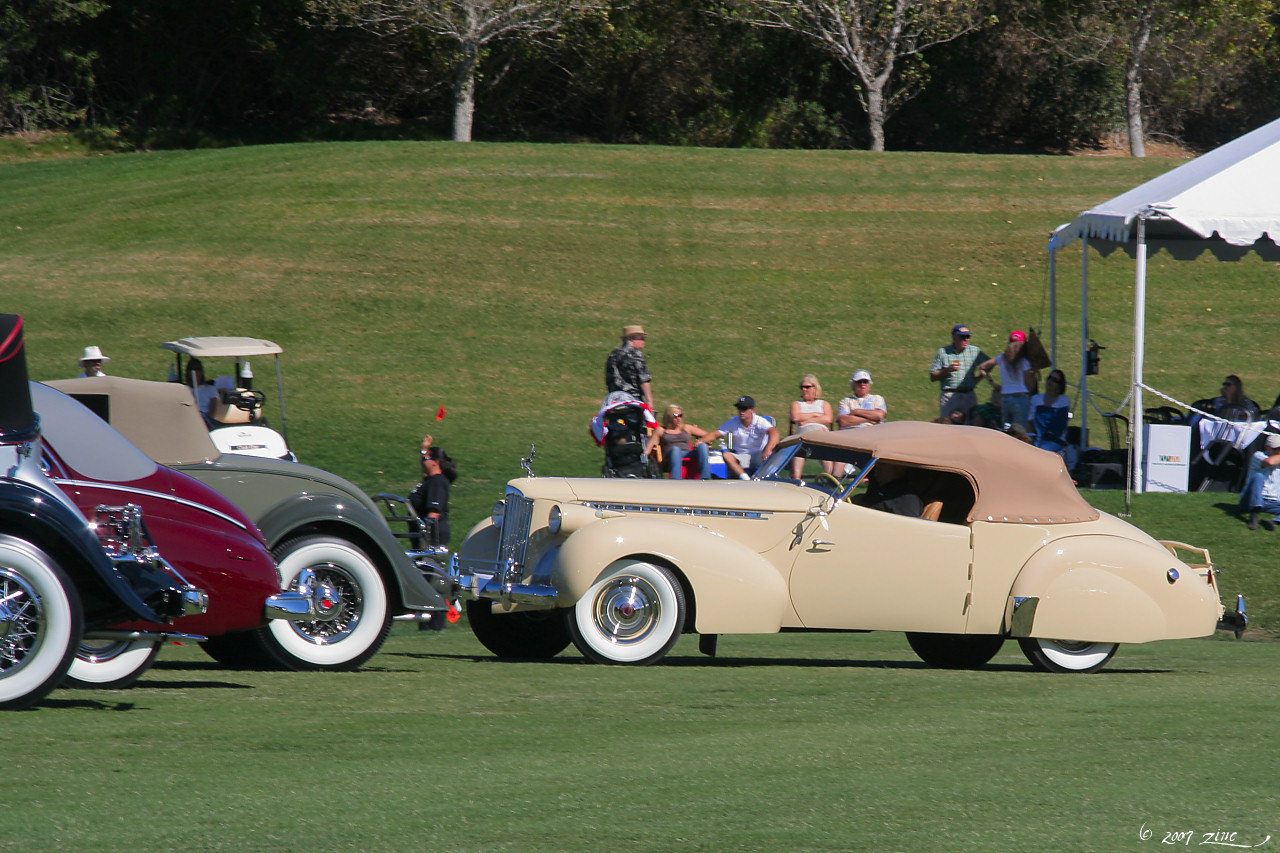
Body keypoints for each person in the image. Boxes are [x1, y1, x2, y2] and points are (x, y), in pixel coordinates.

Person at [698, 395, 779, 480]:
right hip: (742, 456)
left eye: (744, 408)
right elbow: (715, 434)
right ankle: (745, 479)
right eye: (739, 408)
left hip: (759, 455)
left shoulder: (760, 421)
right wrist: (700, 441)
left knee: (771, 455)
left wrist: (768, 449)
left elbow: (774, 433)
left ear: (752, 410)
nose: (741, 411)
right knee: (726, 455)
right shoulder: (734, 422)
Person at [977, 331, 1037, 427]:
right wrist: (1033, 374)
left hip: (1005, 398)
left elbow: (982, 367)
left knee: (1006, 430)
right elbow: (1030, 386)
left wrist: (992, 383)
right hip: (1020, 398)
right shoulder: (1024, 362)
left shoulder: (1001, 358)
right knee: (1020, 430)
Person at [929, 324, 988, 420]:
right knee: (947, 425)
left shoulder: (974, 351)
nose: (966, 340)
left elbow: (989, 364)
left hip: (968, 395)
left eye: (968, 337)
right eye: (963, 337)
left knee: (970, 426)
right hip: (950, 395)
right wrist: (947, 370)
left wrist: (978, 378)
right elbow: (932, 376)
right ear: (954, 337)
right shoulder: (943, 352)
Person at [409, 435, 457, 547]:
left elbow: (433, 513)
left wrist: (427, 539)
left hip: (431, 539)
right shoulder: (429, 480)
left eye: (426, 458)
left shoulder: (437, 482)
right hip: (421, 536)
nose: (423, 461)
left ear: (435, 462)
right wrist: (424, 449)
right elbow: (424, 469)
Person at [645, 405, 712, 479]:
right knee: (675, 449)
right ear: (669, 417)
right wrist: (643, 456)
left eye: (680, 416)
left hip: (687, 453)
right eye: (676, 416)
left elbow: (708, 435)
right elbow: (650, 446)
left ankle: (705, 478)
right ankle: (676, 480)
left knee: (702, 446)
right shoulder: (661, 430)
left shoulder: (686, 428)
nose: (679, 418)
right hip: (670, 456)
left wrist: (701, 441)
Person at [790, 374, 834, 478]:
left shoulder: (824, 404)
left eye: (807, 387)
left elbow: (828, 419)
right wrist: (817, 414)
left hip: (821, 434)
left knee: (825, 449)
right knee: (799, 450)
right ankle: (796, 479)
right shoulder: (796, 404)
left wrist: (806, 419)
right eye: (802, 387)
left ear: (815, 388)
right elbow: (796, 418)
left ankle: (830, 479)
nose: (804, 389)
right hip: (804, 435)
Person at [604, 324, 653, 410]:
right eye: (642, 338)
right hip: (631, 399)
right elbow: (643, 379)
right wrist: (649, 401)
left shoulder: (613, 354)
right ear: (633, 339)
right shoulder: (636, 354)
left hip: (613, 400)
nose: (644, 341)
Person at [851, 462, 923, 517]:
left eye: (883, 464)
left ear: (899, 468)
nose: (877, 468)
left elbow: (905, 527)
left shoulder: (905, 497)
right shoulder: (880, 489)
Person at [1239, 433, 1280, 530]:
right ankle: (1253, 515)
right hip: (1250, 499)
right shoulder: (1258, 455)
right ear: (1267, 447)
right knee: (1258, 476)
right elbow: (1270, 462)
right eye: (1275, 449)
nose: (1278, 451)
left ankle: (1273, 522)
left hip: (1273, 502)